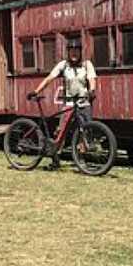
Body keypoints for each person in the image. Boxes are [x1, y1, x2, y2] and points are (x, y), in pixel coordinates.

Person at [28, 37, 97, 168]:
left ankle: (81, 160)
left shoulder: (87, 64)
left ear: (81, 52)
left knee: (84, 132)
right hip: (69, 103)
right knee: (61, 131)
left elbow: (92, 79)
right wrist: (36, 90)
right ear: (68, 52)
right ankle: (55, 159)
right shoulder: (63, 65)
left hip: (83, 103)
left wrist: (92, 90)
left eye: (77, 50)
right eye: (71, 50)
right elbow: (50, 78)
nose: (74, 53)